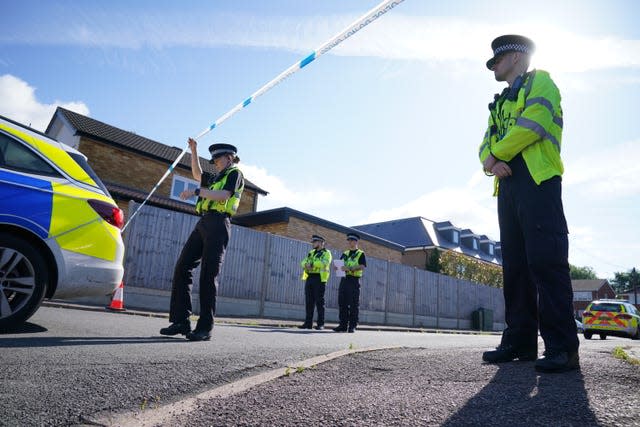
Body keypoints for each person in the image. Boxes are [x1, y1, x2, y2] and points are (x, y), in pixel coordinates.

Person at [478, 35, 579, 372]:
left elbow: (533, 123)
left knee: (546, 262)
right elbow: (483, 145)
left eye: (498, 59)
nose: (494, 65)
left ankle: (562, 347)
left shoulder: (542, 82)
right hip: (507, 186)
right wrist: (490, 160)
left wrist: (496, 156)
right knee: (516, 268)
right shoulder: (498, 103)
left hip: (538, 181)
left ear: (518, 57)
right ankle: (520, 342)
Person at [160, 138, 244, 341]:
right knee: (183, 267)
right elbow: (197, 174)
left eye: (218, 158)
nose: (215, 161)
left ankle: (205, 327)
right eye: (213, 159)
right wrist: (194, 151)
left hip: (219, 223)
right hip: (204, 222)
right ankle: (181, 321)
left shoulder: (235, 174)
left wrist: (197, 191)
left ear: (229, 157)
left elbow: (224, 195)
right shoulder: (215, 177)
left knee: (208, 274)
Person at [333, 233, 367, 333]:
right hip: (344, 279)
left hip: (354, 280)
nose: (350, 242)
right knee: (342, 302)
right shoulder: (345, 253)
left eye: (352, 240)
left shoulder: (361, 253)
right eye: (349, 240)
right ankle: (343, 325)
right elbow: (340, 263)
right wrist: (336, 267)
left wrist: (350, 268)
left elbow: (362, 266)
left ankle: (352, 326)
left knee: (353, 303)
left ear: (356, 241)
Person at [299, 234, 332, 330]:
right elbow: (303, 262)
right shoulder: (311, 252)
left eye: (314, 242)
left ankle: (320, 324)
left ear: (321, 242)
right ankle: (308, 323)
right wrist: (306, 265)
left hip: (320, 278)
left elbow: (324, 263)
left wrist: (312, 264)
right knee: (309, 301)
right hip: (310, 278)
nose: (312, 243)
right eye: (313, 242)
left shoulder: (327, 253)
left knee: (319, 302)